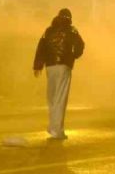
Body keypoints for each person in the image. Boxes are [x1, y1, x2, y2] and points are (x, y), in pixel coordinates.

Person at [33, 8, 85, 141]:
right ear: (69, 18)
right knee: (60, 99)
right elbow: (80, 45)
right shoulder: (72, 30)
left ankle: (52, 127)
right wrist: (73, 56)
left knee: (51, 97)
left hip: (50, 67)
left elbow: (41, 47)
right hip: (64, 66)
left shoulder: (48, 31)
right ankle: (57, 130)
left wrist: (38, 65)